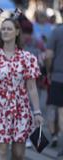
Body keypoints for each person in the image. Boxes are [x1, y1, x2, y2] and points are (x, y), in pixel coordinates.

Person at [0, 17, 44, 160]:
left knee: (18, 154)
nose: (5, 31)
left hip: (21, 108)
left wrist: (37, 112)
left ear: (17, 32)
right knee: (1, 152)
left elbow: (32, 88)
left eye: (9, 28)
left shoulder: (27, 58)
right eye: (3, 28)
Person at [45, 22, 63, 153]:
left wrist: (48, 71)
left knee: (54, 108)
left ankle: (54, 135)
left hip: (58, 77)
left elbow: (49, 55)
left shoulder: (56, 31)